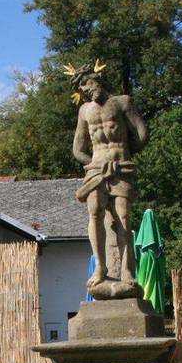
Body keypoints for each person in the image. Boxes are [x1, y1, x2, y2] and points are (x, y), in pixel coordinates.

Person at [66, 60, 148, 296]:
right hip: (96, 171)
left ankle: (126, 270)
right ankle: (100, 267)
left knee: (123, 217)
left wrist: (124, 155)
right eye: (81, 87)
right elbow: (78, 149)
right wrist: (94, 163)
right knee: (95, 213)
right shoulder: (84, 111)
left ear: (98, 78)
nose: (85, 89)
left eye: (86, 83)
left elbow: (142, 134)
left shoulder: (122, 102)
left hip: (121, 168)